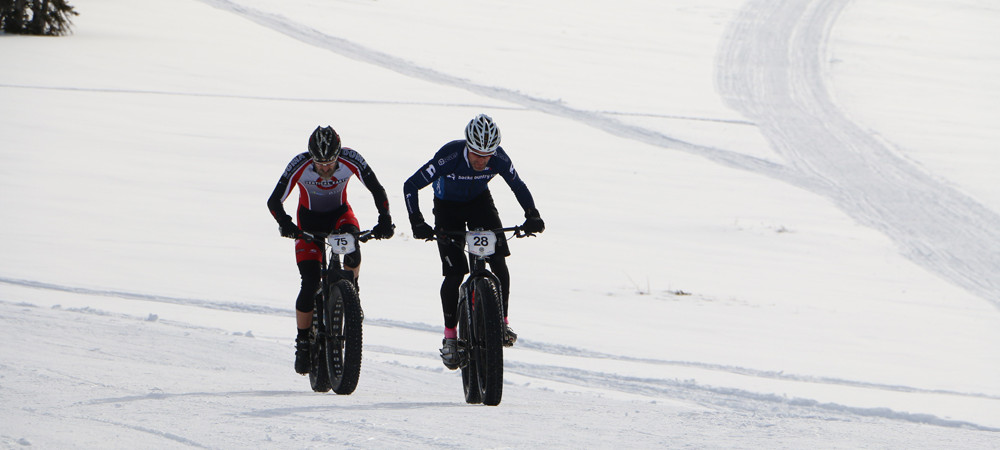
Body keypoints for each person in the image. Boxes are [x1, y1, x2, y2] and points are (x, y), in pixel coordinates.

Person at [403, 113, 545, 370]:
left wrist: (532, 214)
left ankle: (501, 322)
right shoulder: (449, 156)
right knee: (455, 273)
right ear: (468, 146)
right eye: (477, 154)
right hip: (447, 207)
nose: (482, 160)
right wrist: (417, 222)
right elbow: (410, 185)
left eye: (487, 156)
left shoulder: (499, 158)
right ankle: (450, 338)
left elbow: (518, 185)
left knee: (498, 262)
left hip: (479, 203)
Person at [267, 125, 395, 375]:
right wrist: (286, 224)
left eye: (330, 163)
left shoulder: (351, 158)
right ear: (311, 157)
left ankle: (352, 293)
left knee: (353, 243)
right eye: (320, 164)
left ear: (338, 155)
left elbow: (377, 189)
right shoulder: (300, 164)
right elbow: (274, 201)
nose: (325, 169)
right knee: (309, 281)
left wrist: (385, 220)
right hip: (308, 222)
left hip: (340, 215)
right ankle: (303, 342)